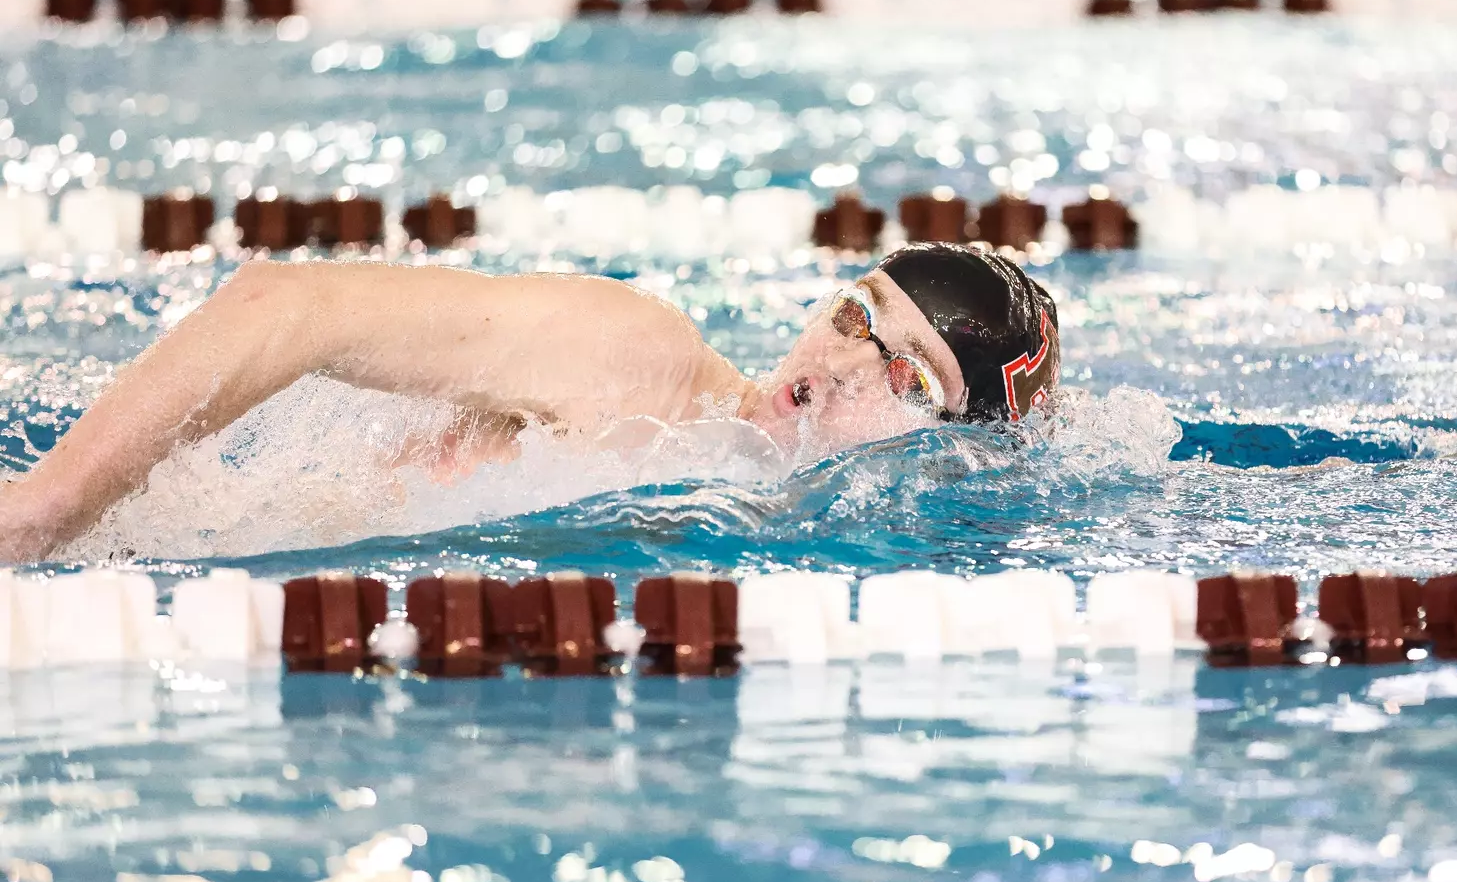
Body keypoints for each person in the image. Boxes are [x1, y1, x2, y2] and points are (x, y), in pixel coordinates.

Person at [0, 241, 1060, 563]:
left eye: (906, 375)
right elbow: (288, 300)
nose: (836, 361)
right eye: (851, 313)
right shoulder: (639, 367)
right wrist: (42, 513)